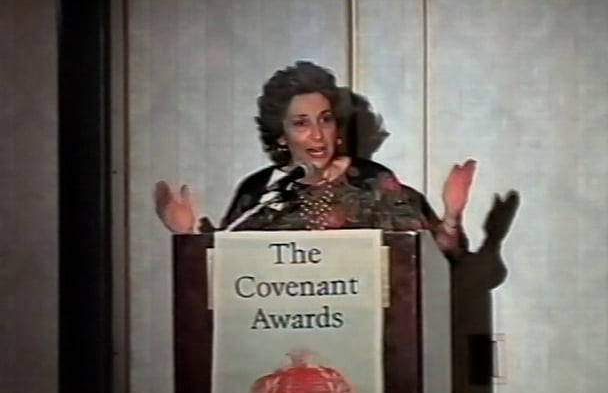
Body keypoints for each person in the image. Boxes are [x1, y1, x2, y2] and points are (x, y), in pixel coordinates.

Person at [154, 61, 476, 256]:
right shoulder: (260, 191)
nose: (318, 135)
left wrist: (451, 217)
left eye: (325, 120)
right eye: (301, 123)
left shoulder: (374, 182)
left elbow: (437, 257)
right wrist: (188, 236)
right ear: (281, 134)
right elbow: (225, 269)